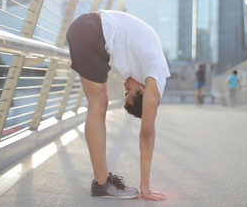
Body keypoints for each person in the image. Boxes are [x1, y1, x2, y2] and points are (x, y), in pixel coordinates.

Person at [66, 10, 170, 200]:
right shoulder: (155, 71)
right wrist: (144, 187)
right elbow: (147, 132)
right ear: (142, 91)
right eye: (127, 92)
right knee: (98, 103)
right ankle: (102, 183)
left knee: (98, 102)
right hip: (91, 31)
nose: (124, 84)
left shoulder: (146, 67)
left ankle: (102, 181)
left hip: (90, 30)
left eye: (125, 90)